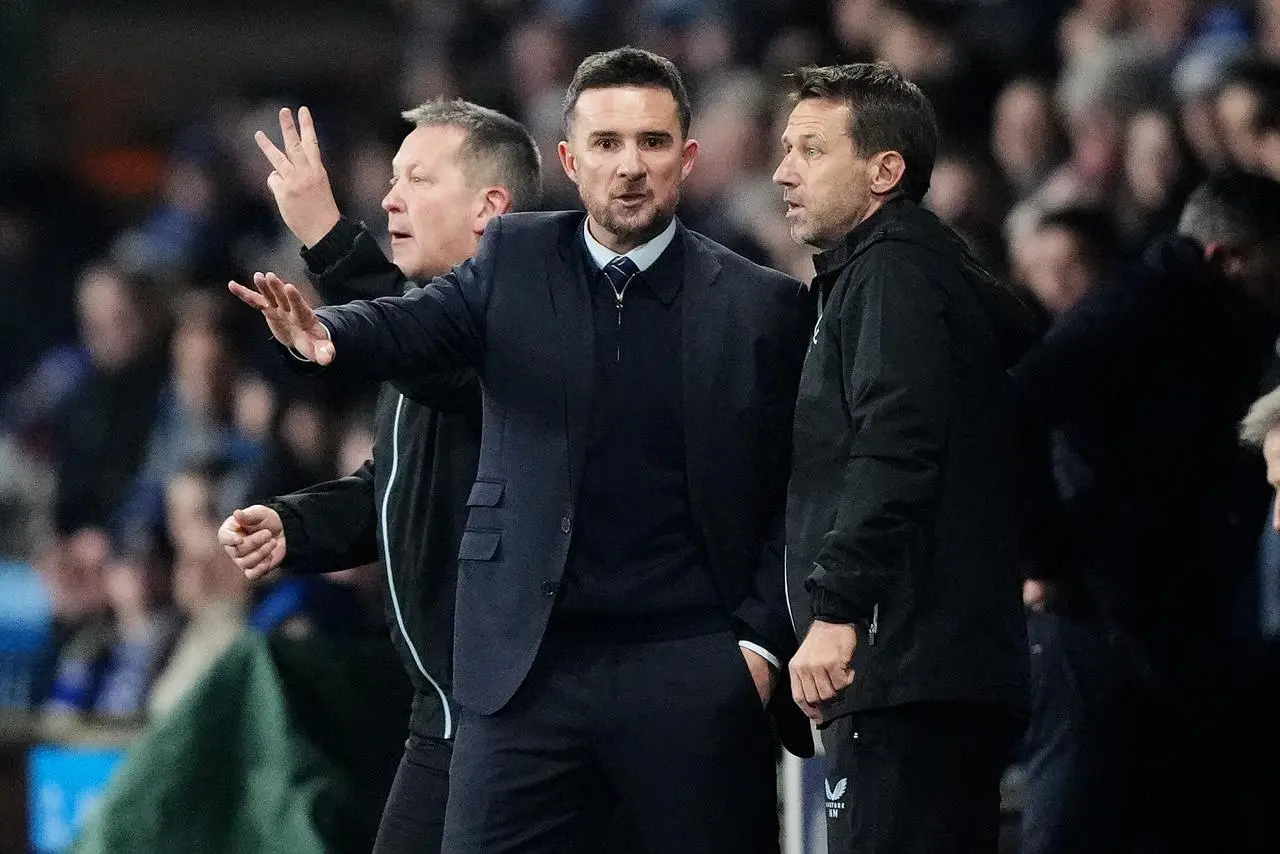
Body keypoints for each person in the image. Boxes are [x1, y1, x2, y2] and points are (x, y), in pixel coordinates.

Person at [228, 47, 814, 854]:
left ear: (688, 158)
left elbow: (797, 489)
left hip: (691, 675)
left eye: (651, 142)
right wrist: (324, 333)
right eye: (607, 144)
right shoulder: (515, 264)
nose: (630, 165)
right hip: (525, 682)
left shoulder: (765, 306)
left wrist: (756, 644)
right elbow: (413, 334)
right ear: (572, 161)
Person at [218, 99, 548, 853]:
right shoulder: (419, 329)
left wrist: (328, 239)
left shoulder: (526, 324)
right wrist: (294, 525)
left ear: (489, 209)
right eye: (391, 179)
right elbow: (396, 487)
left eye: (418, 180)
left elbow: (436, 361)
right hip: (443, 715)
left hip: (518, 724)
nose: (390, 199)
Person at [773, 62, 1037, 853]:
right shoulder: (901, 273)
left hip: (906, 663)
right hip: (930, 665)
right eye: (786, 148)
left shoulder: (892, 273)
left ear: (886, 169)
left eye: (812, 150)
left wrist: (838, 611)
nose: (784, 171)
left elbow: (895, 447)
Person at [1014, 170, 1280, 854]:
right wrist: (1046, 555)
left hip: (1169, 626)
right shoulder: (1138, 312)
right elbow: (1012, 412)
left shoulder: (1218, 320)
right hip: (1101, 624)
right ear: (1230, 257)